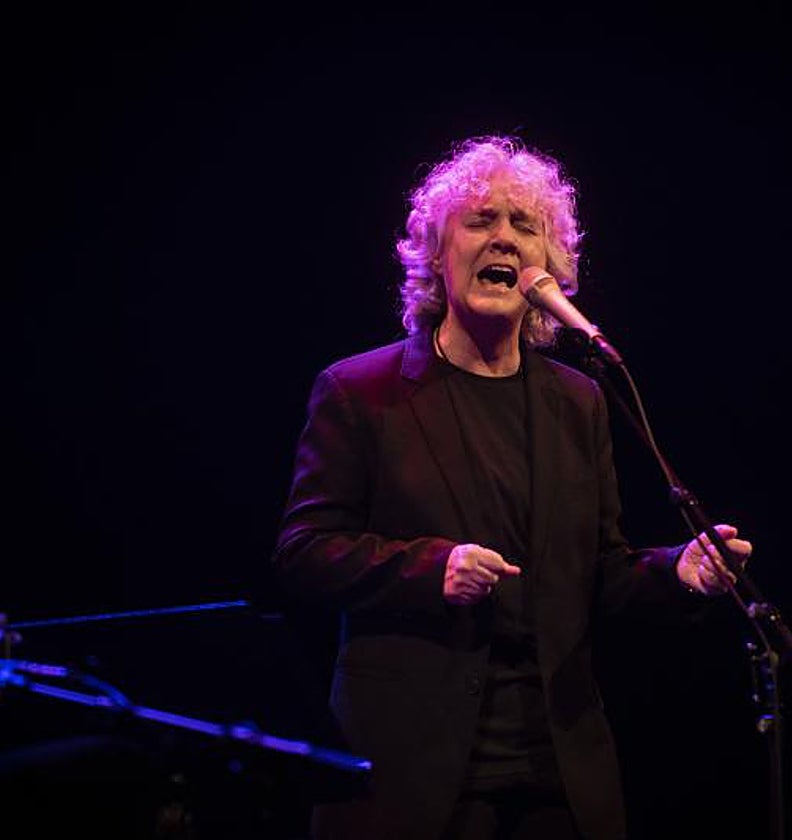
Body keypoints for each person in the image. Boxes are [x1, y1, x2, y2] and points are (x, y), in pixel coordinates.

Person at [271, 136, 753, 840]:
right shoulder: (360, 391)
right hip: (415, 774)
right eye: (480, 220)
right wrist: (431, 568)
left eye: (524, 226)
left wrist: (676, 573)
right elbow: (302, 552)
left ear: (546, 269)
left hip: (556, 772)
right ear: (437, 253)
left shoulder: (578, 401)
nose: (502, 237)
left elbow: (600, 574)